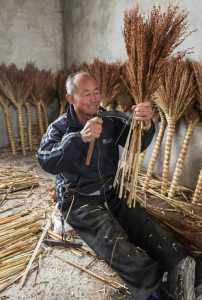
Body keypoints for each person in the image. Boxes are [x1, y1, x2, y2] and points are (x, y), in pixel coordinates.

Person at [37, 71, 196, 300]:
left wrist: (146, 123)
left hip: (111, 191)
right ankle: (156, 290)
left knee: (144, 225)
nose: (94, 98)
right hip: (78, 199)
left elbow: (137, 143)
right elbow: (45, 159)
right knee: (114, 241)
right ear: (71, 98)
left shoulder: (110, 119)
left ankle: (181, 265)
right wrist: (78, 138)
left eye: (97, 92)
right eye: (86, 94)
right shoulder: (59, 128)